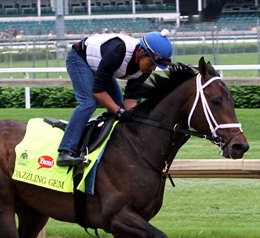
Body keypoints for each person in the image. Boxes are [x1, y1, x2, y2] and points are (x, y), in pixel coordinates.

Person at [57, 29, 173, 166]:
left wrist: (134, 117)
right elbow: (98, 92)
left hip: (100, 66)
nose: (153, 69)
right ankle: (66, 151)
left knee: (119, 108)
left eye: (156, 66)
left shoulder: (144, 70)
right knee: (88, 103)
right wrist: (119, 111)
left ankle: (101, 147)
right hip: (79, 58)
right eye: (152, 63)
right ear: (141, 52)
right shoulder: (119, 51)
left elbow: (130, 100)